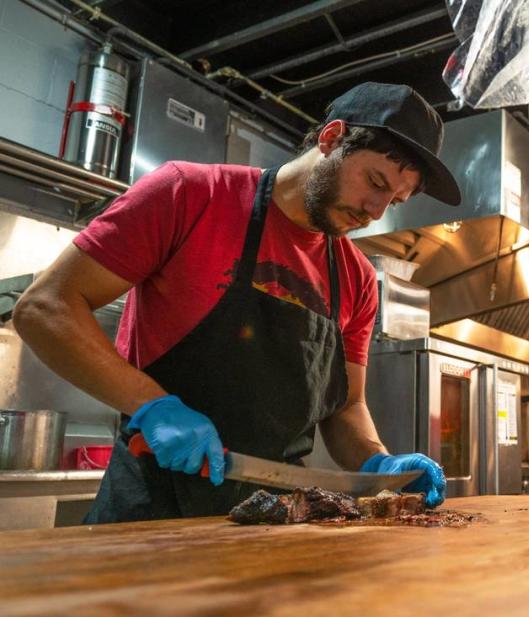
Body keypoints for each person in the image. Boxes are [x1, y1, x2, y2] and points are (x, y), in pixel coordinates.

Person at [13, 82, 460, 522]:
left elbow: (346, 406)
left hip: (275, 523)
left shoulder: (358, 279)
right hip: (150, 511)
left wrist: (376, 463)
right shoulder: (189, 194)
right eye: (375, 181)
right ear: (331, 138)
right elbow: (45, 306)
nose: (376, 210)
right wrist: (154, 406)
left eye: (394, 200)